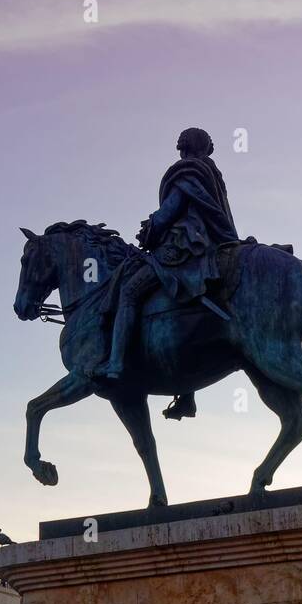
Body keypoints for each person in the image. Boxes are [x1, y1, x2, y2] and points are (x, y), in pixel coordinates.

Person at [95, 128, 239, 420]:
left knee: (129, 291)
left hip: (183, 246)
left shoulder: (187, 171)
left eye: (181, 144)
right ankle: (187, 395)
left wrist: (151, 228)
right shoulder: (211, 172)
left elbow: (171, 210)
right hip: (210, 244)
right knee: (186, 306)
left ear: (184, 146)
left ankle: (115, 363)